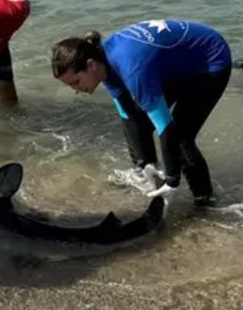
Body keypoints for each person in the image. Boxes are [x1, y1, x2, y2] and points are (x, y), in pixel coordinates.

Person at [51, 19, 232, 207]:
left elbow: (165, 126)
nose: (76, 90)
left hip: (210, 60)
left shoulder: (133, 70)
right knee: (140, 118)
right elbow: (128, 118)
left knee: (181, 137)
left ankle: (205, 201)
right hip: (175, 63)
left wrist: (172, 181)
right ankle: (151, 174)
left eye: (75, 82)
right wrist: (145, 165)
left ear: (90, 66)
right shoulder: (102, 66)